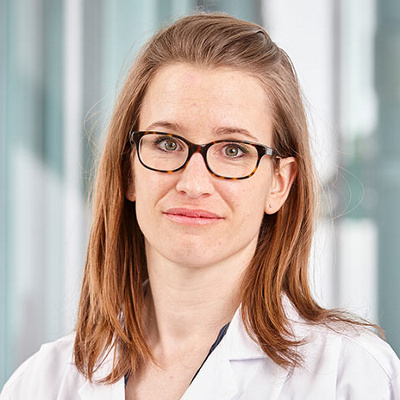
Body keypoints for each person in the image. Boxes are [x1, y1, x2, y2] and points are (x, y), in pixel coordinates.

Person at [2, 12, 400, 400]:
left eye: (233, 150)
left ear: (279, 183)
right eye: (166, 143)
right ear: (128, 170)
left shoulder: (349, 377)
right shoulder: (41, 385)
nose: (192, 184)